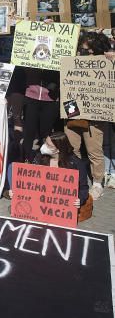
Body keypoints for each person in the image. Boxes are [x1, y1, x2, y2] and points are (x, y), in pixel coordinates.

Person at [64, 32, 110, 200]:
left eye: (90, 51)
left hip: (95, 110)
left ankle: (97, 183)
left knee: (94, 151)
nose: (86, 54)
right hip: (72, 107)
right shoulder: (72, 59)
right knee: (70, 147)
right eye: (84, 50)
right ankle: (76, 178)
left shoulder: (108, 62)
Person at [34, 132, 92, 222]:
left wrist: (79, 199)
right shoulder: (40, 158)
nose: (44, 146)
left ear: (58, 150)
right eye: (45, 142)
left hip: (62, 208)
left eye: (48, 145)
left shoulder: (76, 164)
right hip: (42, 203)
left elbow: (83, 187)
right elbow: (30, 181)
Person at [22, 68, 60, 161]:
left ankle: (45, 159)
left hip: (50, 99)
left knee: (46, 133)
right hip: (31, 96)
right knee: (29, 132)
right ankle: (26, 158)